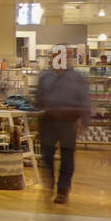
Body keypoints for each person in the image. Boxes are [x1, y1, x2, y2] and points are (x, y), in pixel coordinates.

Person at [36, 54, 91, 204]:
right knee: (46, 155)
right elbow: (39, 97)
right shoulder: (45, 76)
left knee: (67, 156)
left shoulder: (77, 77)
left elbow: (85, 99)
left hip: (69, 121)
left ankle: (63, 190)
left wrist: (84, 121)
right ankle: (50, 182)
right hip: (48, 121)